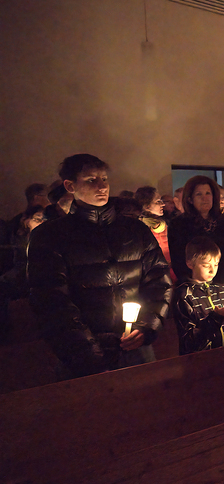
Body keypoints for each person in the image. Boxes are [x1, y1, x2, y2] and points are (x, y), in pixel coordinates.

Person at [27, 154, 172, 378]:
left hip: (135, 346)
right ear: (70, 186)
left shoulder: (135, 230)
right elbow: (51, 300)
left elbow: (159, 281)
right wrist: (87, 351)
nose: (102, 186)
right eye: (91, 180)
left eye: (104, 179)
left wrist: (147, 326)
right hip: (82, 355)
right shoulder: (50, 236)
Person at [173, 237, 224, 355]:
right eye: (206, 265)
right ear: (190, 263)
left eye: (216, 264)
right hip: (198, 360)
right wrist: (216, 317)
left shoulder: (223, 291)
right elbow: (190, 342)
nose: (212, 270)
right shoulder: (184, 296)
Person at [169, 175, 224, 289]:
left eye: (208, 193)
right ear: (190, 199)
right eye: (199, 194)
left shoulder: (223, 221)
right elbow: (178, 260)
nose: (205, 198)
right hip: (194, 286)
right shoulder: (178, 224)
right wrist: (194, 283)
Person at [0, 205, 45, 334]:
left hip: (38, 276)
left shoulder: (46, 238)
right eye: (37, 219)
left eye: (44, 220)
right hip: (22, 272)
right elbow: (20, 261)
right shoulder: (21, 236)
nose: (41, 223)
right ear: (27, 220)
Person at [135, 186, 176, 281]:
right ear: (146, 206)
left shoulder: (163, 223)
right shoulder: (140, 227)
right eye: (158, 201)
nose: (163, 204)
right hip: (156, 273)